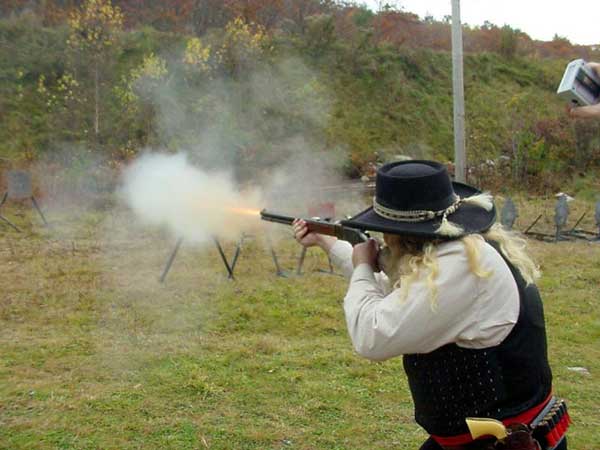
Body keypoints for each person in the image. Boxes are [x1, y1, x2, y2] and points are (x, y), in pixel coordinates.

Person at [292, 160, 568, 450]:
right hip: (481, 439)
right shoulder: (460, 252)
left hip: (505, 442)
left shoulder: (459, 266)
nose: (385, 239)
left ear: (402, 233)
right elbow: (399, 297)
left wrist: (362, 266)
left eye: (387, 230)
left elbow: (370, 336)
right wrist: (327, 241)